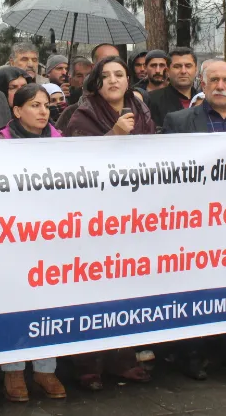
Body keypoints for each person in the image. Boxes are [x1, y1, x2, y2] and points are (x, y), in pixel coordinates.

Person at [162, 59, 226, 380]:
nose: (221, 86)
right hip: (195, 222)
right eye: (214, 80)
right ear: (203, 85)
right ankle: (190, 354)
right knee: (194, 288)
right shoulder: (178, 121)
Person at [65, 56, 153, 390]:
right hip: (95, 216)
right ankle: (87, 364)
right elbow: (74, 164)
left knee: (127, 288)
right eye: (106, 76)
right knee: (92, 290)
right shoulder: (82, 115)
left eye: (120, 74)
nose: (114, 80)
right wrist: (113, 134)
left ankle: (122, 358)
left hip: (134, 213)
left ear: (129, 80)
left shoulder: (142, 111)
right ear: (96, 83)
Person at [0, 84, 66, 401]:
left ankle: (46, 370)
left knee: (50, 301)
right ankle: (13, 371)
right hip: (15, 234)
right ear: (17, 110)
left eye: (46, 105)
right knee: (15, 302)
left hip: (52, 233)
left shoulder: (61, 142)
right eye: (35, 105)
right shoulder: (0, 143)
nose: (43, 111)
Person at [147, 47, 199, 130]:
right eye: (177, 66)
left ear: (196, 70)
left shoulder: (205, 100)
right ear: (167, 71)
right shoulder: (151, 101)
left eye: (188, 66)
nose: (183, 71)